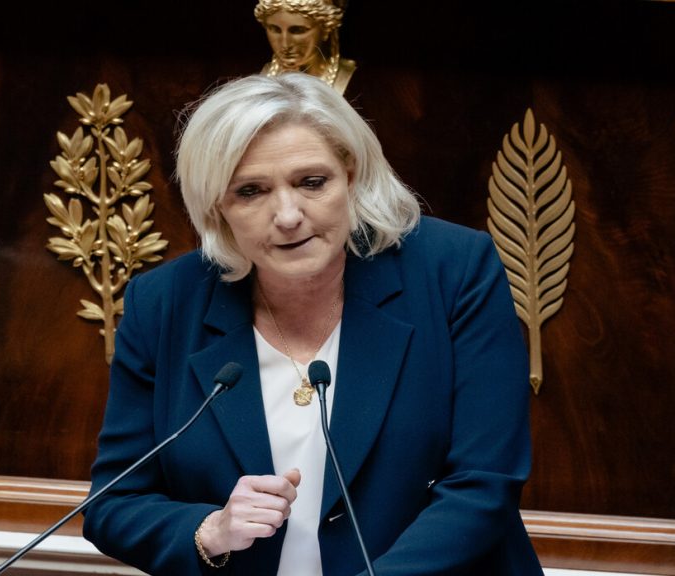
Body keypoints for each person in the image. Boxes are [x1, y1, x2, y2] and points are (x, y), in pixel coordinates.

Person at [82, 72, 543, 575]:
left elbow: (483, 483)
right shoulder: (165, 303)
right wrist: (210, 530)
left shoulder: (453, 271)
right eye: (251, 191)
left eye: (311, 182)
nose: (287, 215)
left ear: (351, 175)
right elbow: (114, 502)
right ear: (217, 206)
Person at [255, 0, 357, 95]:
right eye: (275, 29)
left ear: (326, 29)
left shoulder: (355, 81)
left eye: (298, 30)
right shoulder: (261, 75)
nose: (285, 44)